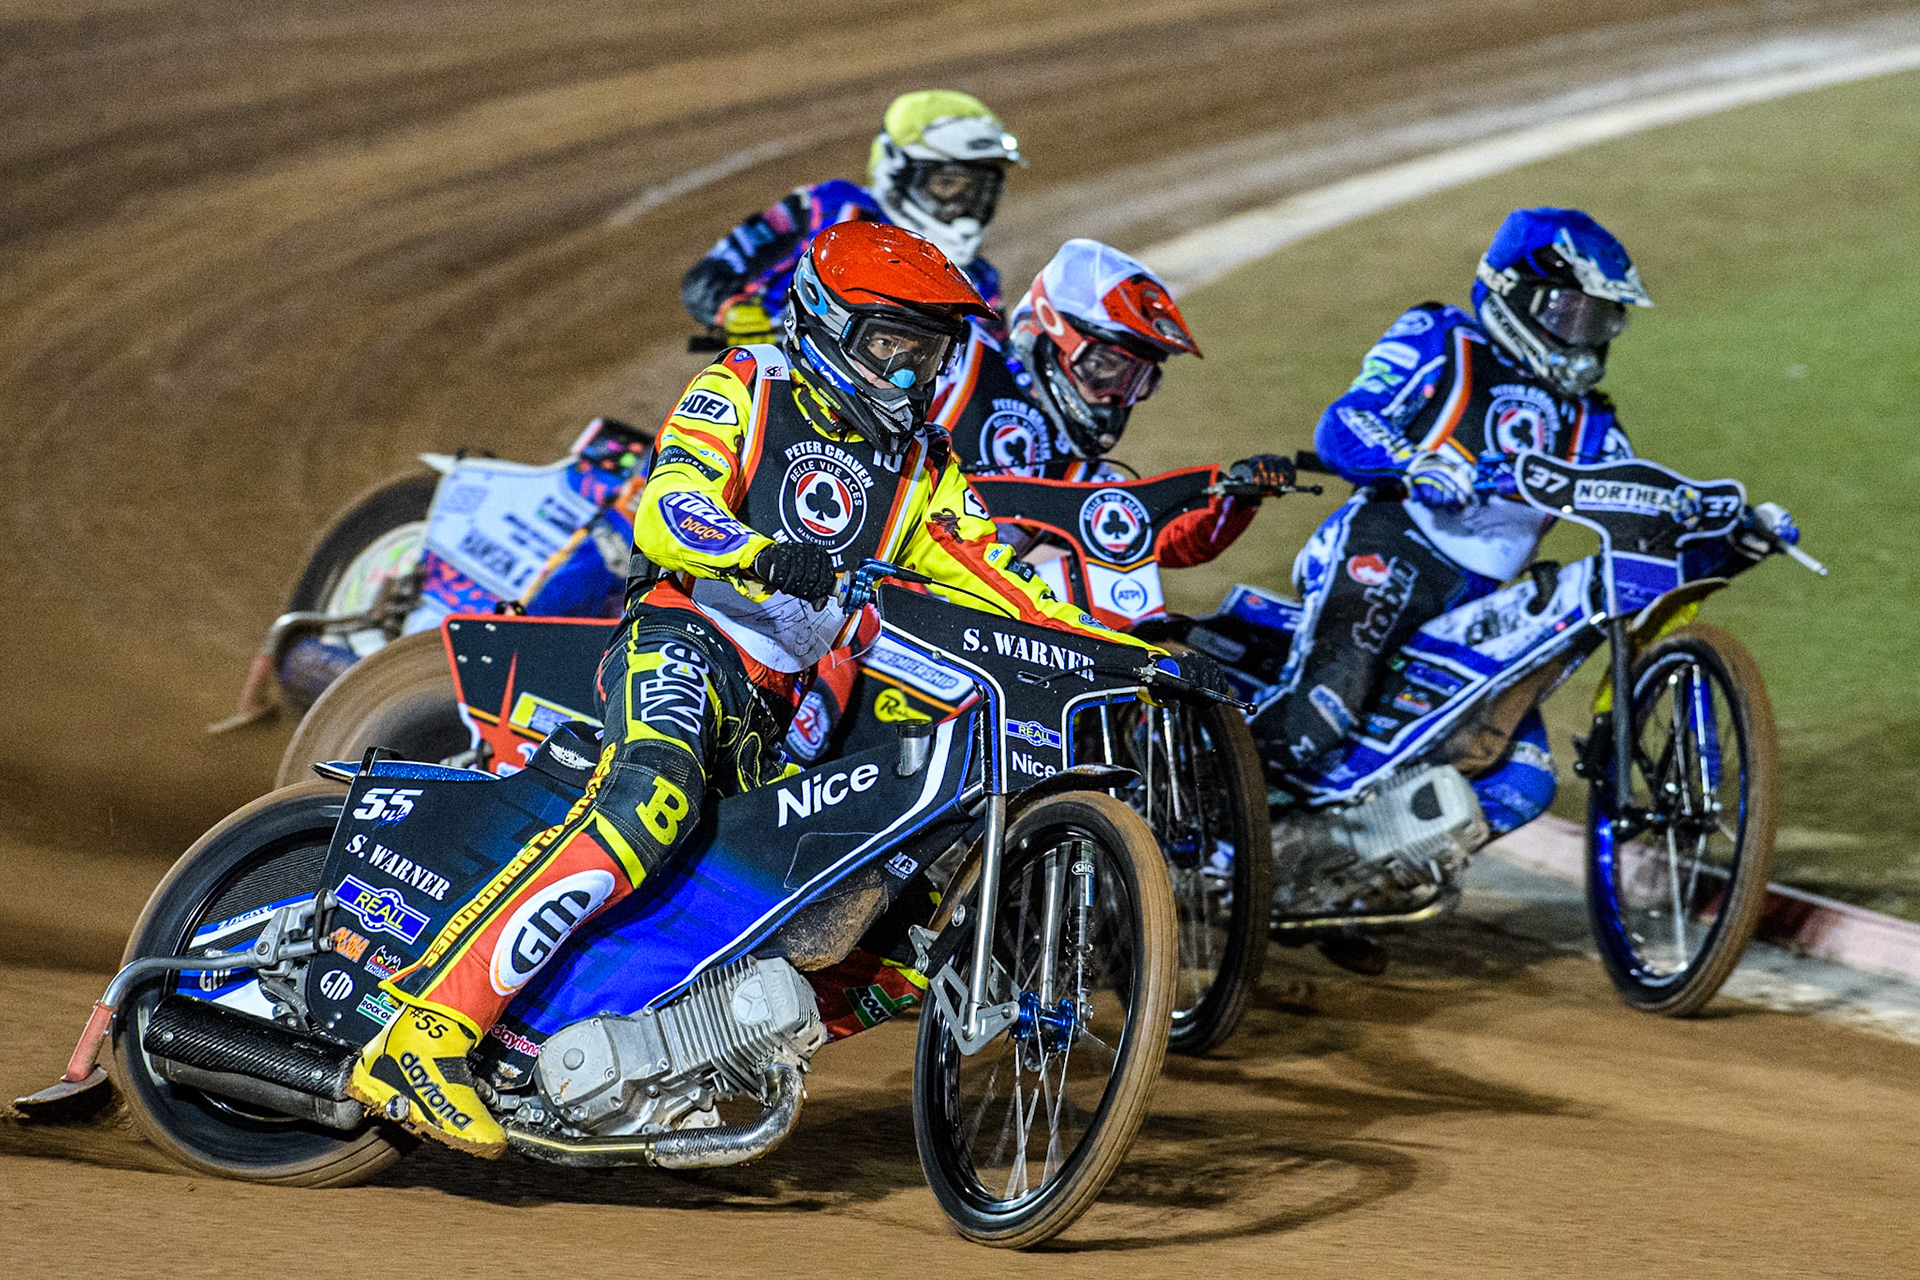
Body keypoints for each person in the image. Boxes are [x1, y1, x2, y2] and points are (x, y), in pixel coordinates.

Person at [346, 221, 1210, 1156]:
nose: (914, 374)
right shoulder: (749, 386)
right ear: (831, 324)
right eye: (893, 346)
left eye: (929, 354)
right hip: (684, 639)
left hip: (781, 705)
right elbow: (670, 510)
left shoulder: (923, 465)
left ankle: (640, 1053)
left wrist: (1135, 657)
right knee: (653, 802)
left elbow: (1004, 580)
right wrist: (765, 556)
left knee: (833, 916)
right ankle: (429, 1031)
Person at [1249, 206, 1797, 907]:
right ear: (1514, 298)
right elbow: (1344, 424)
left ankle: (1340, 880)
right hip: (1390, 550)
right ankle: (1187, 820)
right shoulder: (1439, 337)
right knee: (1319, 720)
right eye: (1572, 315)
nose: (1587, 338)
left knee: (1524, 781)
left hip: (1483, 603)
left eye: (1601, 321)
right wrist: (1416, 462)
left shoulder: (1591, 418)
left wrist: (1729, 536)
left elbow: (1637, 507)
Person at [785, 239, 1295, 761]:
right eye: (1108, 369)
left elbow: (1147, 540)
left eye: (1139, 380)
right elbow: (857, 378)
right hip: (860, 578)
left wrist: (1235, 499)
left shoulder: (1081, 466)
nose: (1114, 396)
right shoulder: (968, 361)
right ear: (1048, 329)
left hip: (981, 606)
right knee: (818, 688)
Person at [681, 89, 1022, 341]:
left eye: (979, 192)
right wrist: (733, 310)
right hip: (774, 392)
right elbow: (708, 276)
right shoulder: (828, 210)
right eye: (947, 185)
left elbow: (1000, 374)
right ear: (898, 169)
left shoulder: (978, 280)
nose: (962, 207)